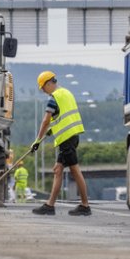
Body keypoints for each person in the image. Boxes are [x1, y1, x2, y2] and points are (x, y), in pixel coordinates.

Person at [30, 70, 91, 216]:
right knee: (58, 170)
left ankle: (85, 205)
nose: (44, 91)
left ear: (49, 83)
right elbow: (62, 116)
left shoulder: (54, 98)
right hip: (72, 136)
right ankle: (50, 206)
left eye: (43, 88)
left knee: (75, 171)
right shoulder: (67, 93)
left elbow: (46, 121)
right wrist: (52, 130)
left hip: (66, 139)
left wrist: (37, 140)